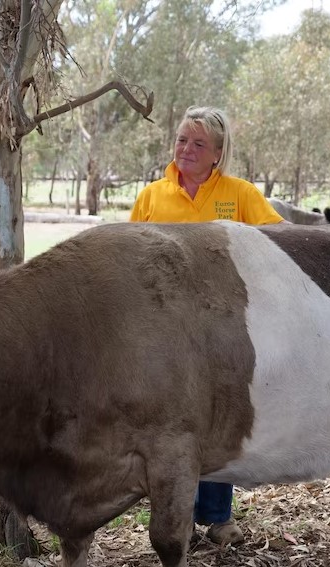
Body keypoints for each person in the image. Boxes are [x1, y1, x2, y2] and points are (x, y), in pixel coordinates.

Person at [130, 105, 285, 546]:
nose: (187, 149)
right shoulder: (152, 197)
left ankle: (218, 519)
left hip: (223, 330)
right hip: (165, 332)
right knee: (168, 421)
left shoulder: (241, 195)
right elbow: (130, 262)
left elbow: (279, 243)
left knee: (216, 416)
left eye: (199, 144)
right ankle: (175, 517)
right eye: (182, 140)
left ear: (217, 153)